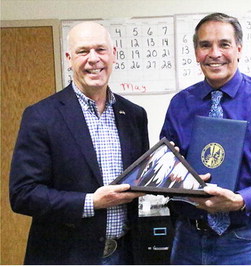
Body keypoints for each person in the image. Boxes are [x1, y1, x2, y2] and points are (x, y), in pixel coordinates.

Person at [160, 13, 251, 265]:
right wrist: (169, 171)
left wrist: (243, 199)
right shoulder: (180, 104)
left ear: (238, 49)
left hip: (243, 242)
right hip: (187, 242)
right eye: (205, 45)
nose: (214, 53)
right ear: (196, 52)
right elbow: (166, 169)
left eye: (224, 44)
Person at [9, 21, 149, 265]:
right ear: (69, 58)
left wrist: (170, 171)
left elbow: (140, 180)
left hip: (125, 254)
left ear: (113, 55)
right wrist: (91, 202)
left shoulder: (134, 115)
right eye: (83, 51)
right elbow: (23, 194)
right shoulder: (42, 116)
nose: (93, 59)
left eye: (101, 50)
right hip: (66, 257)